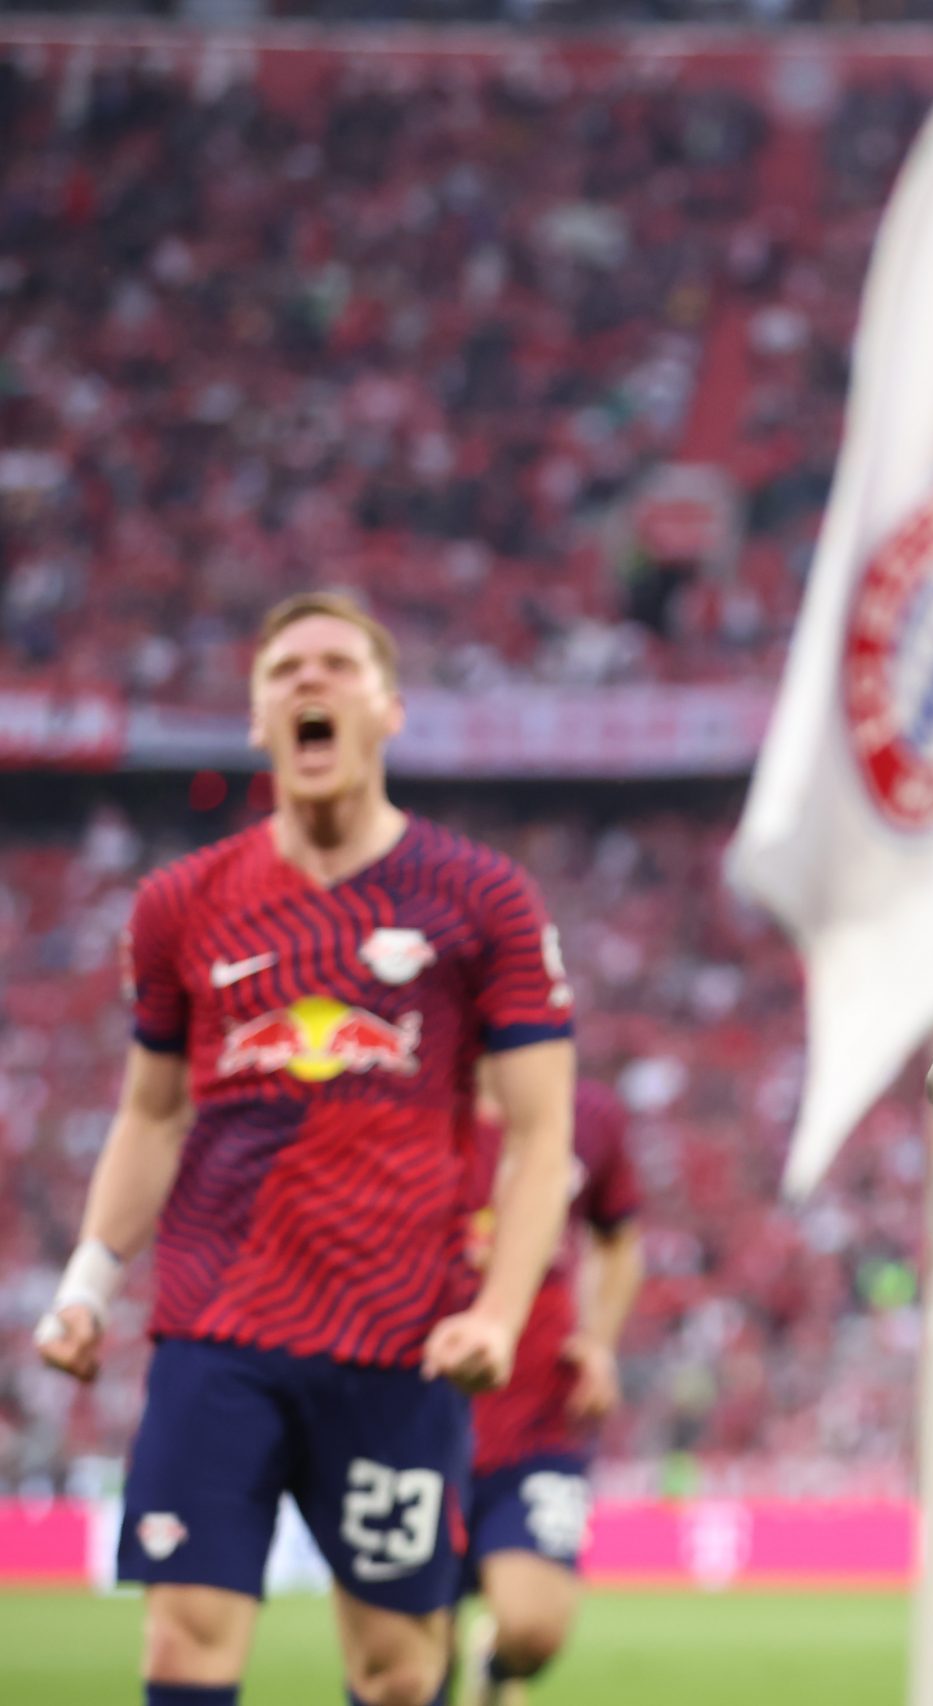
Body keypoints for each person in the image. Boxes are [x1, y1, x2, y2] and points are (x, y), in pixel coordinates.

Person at [31, 591, 578, 1706]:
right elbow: (151, 1112)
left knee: (395, 1668)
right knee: (184, 1642)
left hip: (399, 1339)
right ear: (256, 721)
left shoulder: (483, 900)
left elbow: (540, 1128)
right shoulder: (180, 904)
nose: (309, 683)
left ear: (389, 709)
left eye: (338, 665)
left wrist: (500, 1313)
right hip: (216, 1329)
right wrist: (91, 1280)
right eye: (284, 670)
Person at [459, 1078, 643, 1706]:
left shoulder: (589, 1113)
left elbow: (618, 1240)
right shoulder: (411, 1098)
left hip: (540, 1415)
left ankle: (496, 1669)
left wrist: (598, 1340)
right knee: (405, 1669)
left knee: (534, 1628)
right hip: (419, 1411)